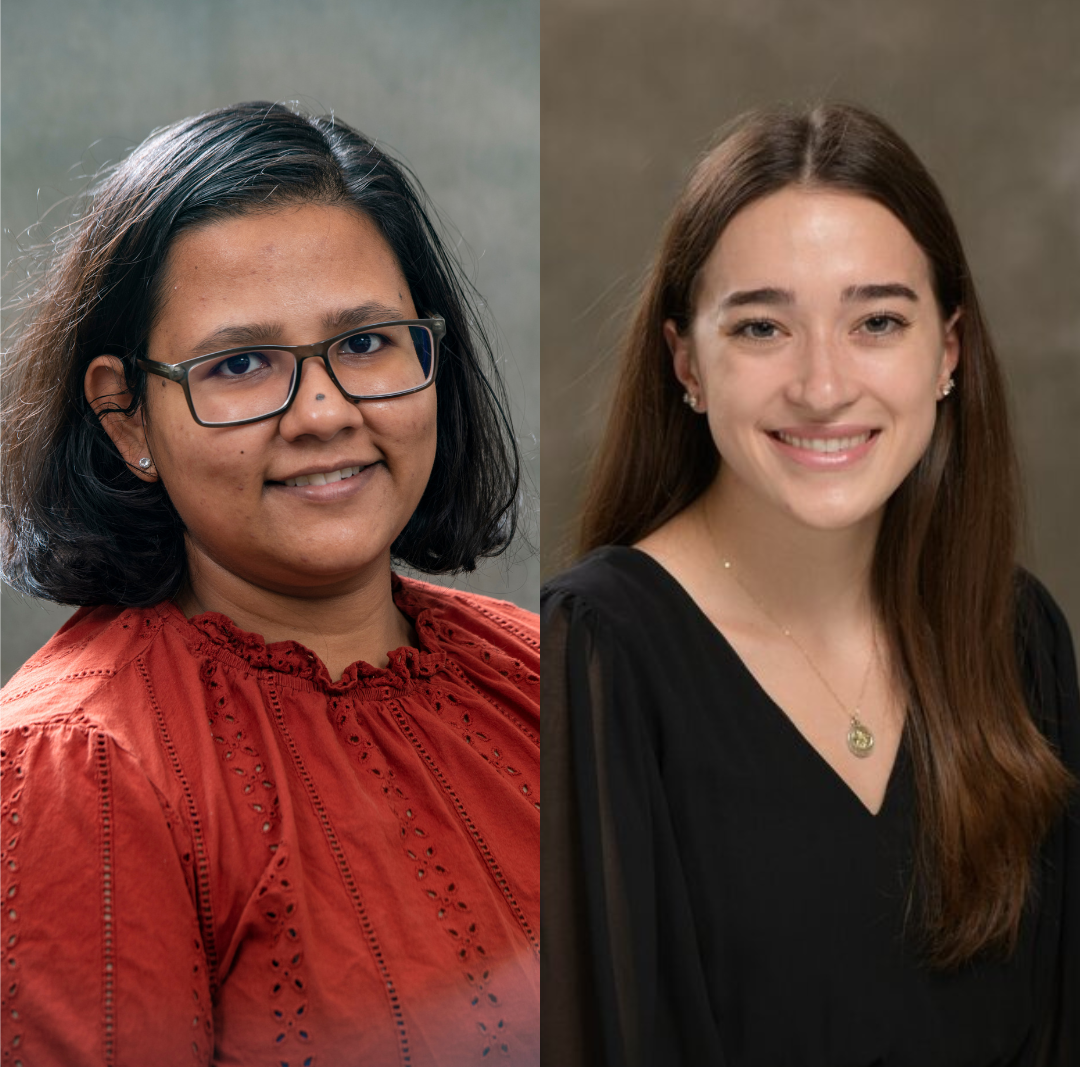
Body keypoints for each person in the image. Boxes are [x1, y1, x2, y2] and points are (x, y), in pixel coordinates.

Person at [1, 102, 539, 1066]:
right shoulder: (77, 766)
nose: (325, 412)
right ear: (126, 420)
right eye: (241, 364)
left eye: (368, 343)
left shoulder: (548, 674)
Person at [541, 103, 1078, 1067]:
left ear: (947, 352)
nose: (823, 386)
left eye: (877, 321)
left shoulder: (1017, 636)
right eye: (761, 327)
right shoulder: (594, 657)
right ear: (687, 364)